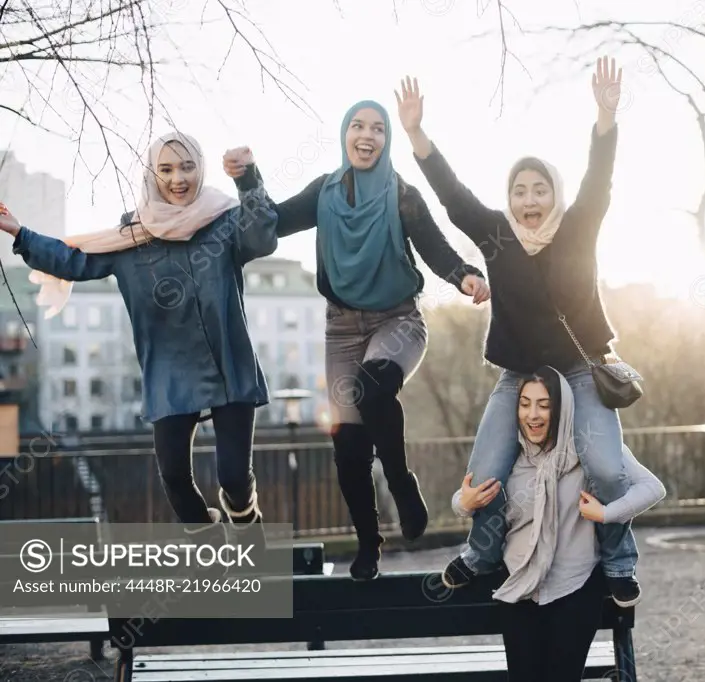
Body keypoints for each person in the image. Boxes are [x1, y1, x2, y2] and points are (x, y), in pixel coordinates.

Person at [395, 57, 647, 605]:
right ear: (509, 198)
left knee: (605, 466)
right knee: (484, 472)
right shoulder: (494, 234)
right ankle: (482, 554)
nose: (529, 201)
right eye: (520, 191)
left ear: (552, 194)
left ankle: (618, 560)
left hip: (581, 372)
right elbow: (450, 192)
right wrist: (416, 133)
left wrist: (605, 117)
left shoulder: (578, 228)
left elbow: (598, 180)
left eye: (539, 190)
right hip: (519, 376)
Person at [0, 132, 277, 549]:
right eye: (165, 169)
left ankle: (245, 517)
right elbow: (74, 260)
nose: (177, 178)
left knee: (235, 477)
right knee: (174, 478)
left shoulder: (223, 221)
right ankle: (211, 547)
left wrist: (249, 179)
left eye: (186, 167)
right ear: (151, 174)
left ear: (200, 169)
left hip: (229, 364)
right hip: (170, 372)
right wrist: (21, 233)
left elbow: (262, 238)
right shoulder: (132, 236)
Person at [263, 99, 491, 581]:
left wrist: (464, 275)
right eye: (358, 126)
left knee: (371, 385)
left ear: (387, 141)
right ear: (345, 133)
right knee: (347, 445)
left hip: (399, 320)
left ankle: (402, 483)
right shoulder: (322, 193)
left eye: (379, 129)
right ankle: (369, 543)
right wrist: (247, 180)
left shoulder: (401, 193)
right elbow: (273, 222)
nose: (367, 136)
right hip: (341, 329)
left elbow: (433, 244)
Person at [451, 366, 664, 682]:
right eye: (524, 403)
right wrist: (462, 505)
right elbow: (464, 497)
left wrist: (606, 514)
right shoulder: (508, 459)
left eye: (544, 404)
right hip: (519, 589)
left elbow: (653, 488)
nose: (532, 415)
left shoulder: (591, 452)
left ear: (562, 407)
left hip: (575, 589)